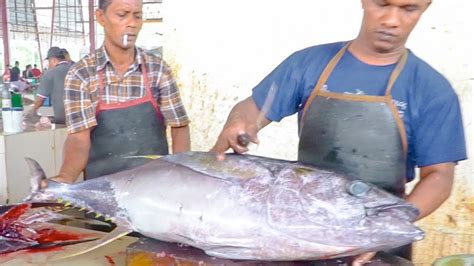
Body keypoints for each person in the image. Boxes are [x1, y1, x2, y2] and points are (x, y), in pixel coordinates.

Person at [212, 0, 466, 264]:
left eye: (408, 9)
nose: (392, 20)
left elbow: (439, 177)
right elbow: (251, 109)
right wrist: (240, 122)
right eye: (382, 4)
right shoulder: (308, 64)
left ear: (425, 7)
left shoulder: (431, 89)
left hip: (378, 243)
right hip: (300, 228)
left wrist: (383, 231)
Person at [45, 0, 190, 183]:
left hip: (155, 187)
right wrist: (66, 176)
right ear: (100, 17)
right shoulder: (81, 74)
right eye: (122, 15)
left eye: (137, 16)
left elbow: (179, 127)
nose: (132, 23)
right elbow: (79, 139)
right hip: (103, 191)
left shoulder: (157, 69)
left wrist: (182, 173)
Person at [32, 47, 71, 124]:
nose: (48, 64)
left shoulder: (50, 73)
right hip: (83, 117)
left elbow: (40, 100)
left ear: (53, 60)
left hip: (63, 118)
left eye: (48, 61)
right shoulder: (75, 69)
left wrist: (31, 112)